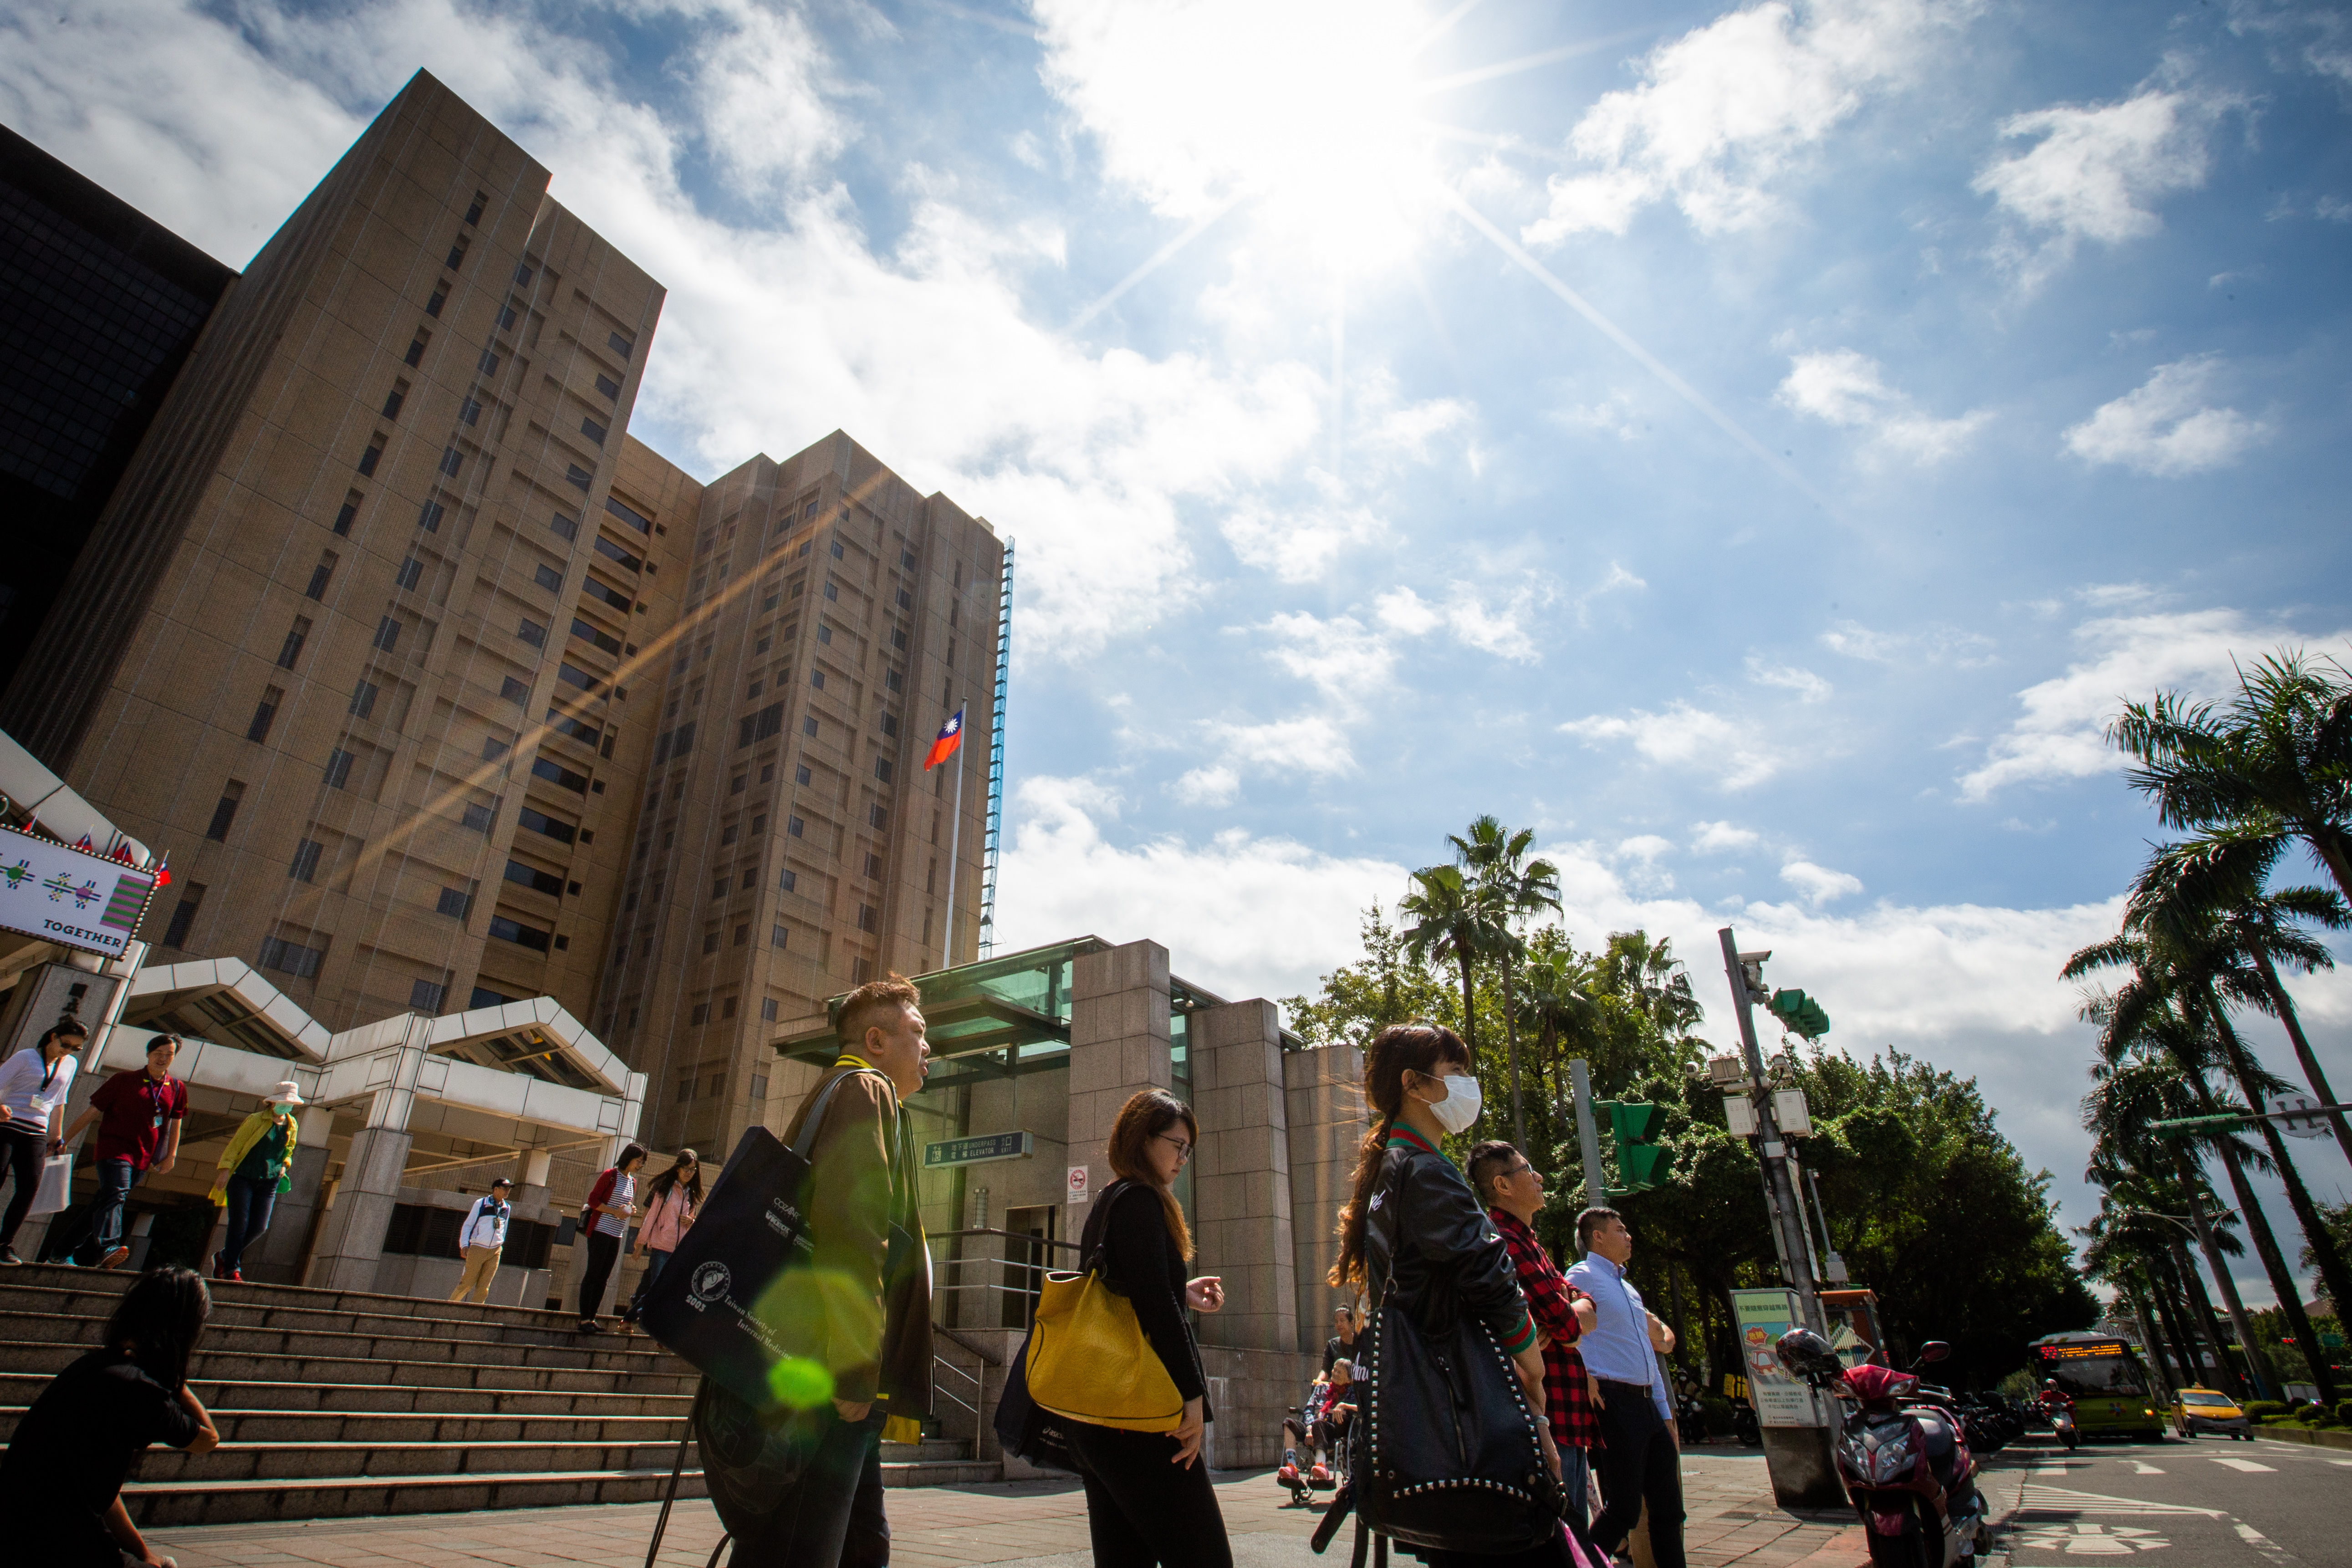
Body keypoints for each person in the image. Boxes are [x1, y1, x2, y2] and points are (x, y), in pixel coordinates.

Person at [1329, 1022, 1556, 1568]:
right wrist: (1532, 1367)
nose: (1468, 1085)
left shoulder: (1391, 1170)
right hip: (1465, 1411)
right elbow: (1490, 1277)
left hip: (1427, 1422)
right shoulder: (1427, 1171)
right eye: (1455, 1072)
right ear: (1414, 1082)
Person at [727, 973, 934, 1568]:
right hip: (829, 1369)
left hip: (819, 1362)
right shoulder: (864, 1091)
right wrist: (853, 1369)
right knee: (801, 1544)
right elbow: (852, 1231)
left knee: (852, 1541)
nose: (927, 1047)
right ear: (875, 1039)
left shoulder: (840, 1090)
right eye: (916, 1032)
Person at [1066, 1088, 1230, 1568]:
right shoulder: (1140, 1200)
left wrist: (1183, 1291)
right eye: (1176, 1144)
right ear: (1142, 1138)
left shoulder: (1110, 1199)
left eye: (1187, 1149)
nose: (1182, 1158)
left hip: (1099, 1418)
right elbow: (1154, 1305)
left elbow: (1129, 1290)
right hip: (1139, 1414)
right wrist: (1193, 1397)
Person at [0, 1265, 221, 1565]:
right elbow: (207, 1440)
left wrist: (144, 1553)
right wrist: (175, 1380)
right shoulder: (138, 1388)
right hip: (51, 1542)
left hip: (22, 1526)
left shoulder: (96, 1366)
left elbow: (98, 1487)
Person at [1469, 1140, 1602, 1532]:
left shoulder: (1530, 1243)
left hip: (1565, 1414)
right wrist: (1572, 1316)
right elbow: (1568, 1326)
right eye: (1528, 1169)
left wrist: (1574, 1309)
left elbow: (1577, 1309)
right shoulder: (1505, 1243)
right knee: (1563, 1538)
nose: (1539, 1177)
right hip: (1546, 1419)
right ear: (1503, 1185)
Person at [1567, 1208, 1684, 1568]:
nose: (1628, 1235)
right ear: (1596, 1236)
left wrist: (1663, 1413)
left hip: (1648, 1404)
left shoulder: (1628, 1289)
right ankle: (1581, 1562)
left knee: (1668, 1511)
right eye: (1619, 1230)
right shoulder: (1581, 1274)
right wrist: (1583, 1374)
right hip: (1613, 1401)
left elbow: (1646, 1353)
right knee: (1623, 1510)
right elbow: (1570, 1329)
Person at [51, 1034, 187, 1269]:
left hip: (144, 1156)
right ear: (148, 1054)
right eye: (158, 1053)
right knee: (116, 1195)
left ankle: (60, 1253)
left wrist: (171, 1155)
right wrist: (65, 1139)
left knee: (104, 1203)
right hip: (114, 1150)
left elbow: (176, 1123)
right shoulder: (124, 1080)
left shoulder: (176, 1088)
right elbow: (93, 1112)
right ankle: (109, 1246)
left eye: (169, 1054)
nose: (163, 1058)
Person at [0, 1020, 87, 1265]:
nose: (68, 1051)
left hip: (37, 1131)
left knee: (29, 1188)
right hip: (7, 1124)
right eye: (66, 1044)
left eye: (76, 1048)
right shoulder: (25, 1057)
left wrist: (57, 1137)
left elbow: (59, 1101)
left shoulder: (70, 1064)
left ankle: (4, 1245)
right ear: (53, 1037)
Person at [208, 1080, 303, 1281]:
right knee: (239, 1223)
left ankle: (224, 1256)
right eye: (284, 1102)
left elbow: (290, 1149)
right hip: (243, 1177)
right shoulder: (256, 1120)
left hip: (270, 1181)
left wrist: (285, 1165)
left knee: (260, 1227)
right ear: (273, 1103)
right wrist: (225, 1171)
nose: (287, 1106)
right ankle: (231, 1269)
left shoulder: (292, 1124)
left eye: (290, 1103)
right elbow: (236, 1145)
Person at [620, 1147, 700, 1328]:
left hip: (679, 1251)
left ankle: (630, 1319)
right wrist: (640, 1243)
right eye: (686, 1169)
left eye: (693, 1170)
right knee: (658, 1289)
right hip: (661, 1247)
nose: (690, 1173)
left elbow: (694, 1221)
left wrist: (691, 1221)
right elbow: (651, 1215)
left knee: (660, 1289)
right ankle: (643, 1323)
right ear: (678, 1168)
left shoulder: (692, 1194)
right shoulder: (665, 1189)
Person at [576, 1143, 646, 1333]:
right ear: (629, 1158)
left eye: (642, 1163)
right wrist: (615, 1212)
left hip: (617, 1233)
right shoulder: (610, 1175)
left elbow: (625, 1204)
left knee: (604, 1277)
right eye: (639, 1161)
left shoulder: (632, 1182)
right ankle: (584, 1319)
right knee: (593, 1273)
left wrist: (629, 1210)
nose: (640, 1165)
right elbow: (593, 1200)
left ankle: (592, 1318)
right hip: (600, 1230)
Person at [449, 1178, 514, 1303]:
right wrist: (464, 1245)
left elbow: (504, 1228)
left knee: (484, 1287)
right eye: (504, 1188)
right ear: (495, 1189)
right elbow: (468, 1225)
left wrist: (501, 1243)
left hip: (495, 1250)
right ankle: (449, 1306)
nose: (507, 1191)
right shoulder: (481, 1203)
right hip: (478, 1248)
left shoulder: (507, 1208)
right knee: (467, 1283)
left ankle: (475, 1314)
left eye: (509, 1189)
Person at [1322, 1304, 1359, 1376]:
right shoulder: (1332, 1345)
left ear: (1352, 1323)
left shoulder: (1362, 1342)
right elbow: (1326, 1370)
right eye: (1336, 1322)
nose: (1339, 1324)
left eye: (1342, 1321)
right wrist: (1318, 1381)